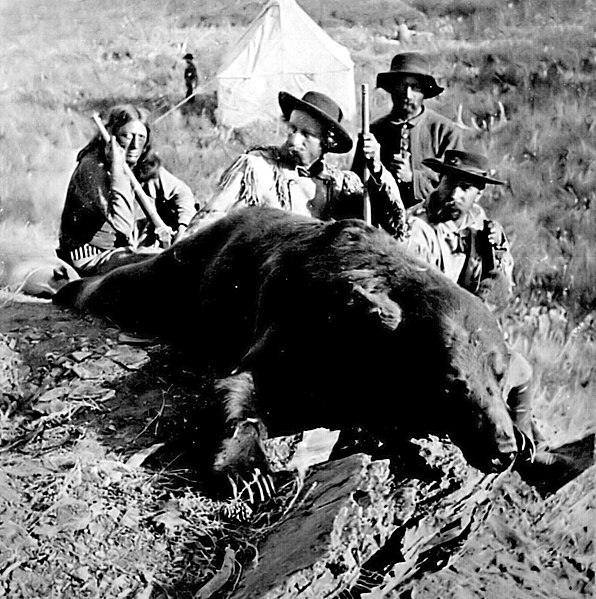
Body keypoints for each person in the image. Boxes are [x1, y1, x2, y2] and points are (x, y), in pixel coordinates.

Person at [400, 150, 559, 469]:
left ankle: (528, 443)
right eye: (450, 183)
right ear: (439, 181)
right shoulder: (417, 229)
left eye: (467, 188)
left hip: (471, 335)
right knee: (477, 390)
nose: (455, 193)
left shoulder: (481, 228)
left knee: (520, 370)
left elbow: (502, 288)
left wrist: (497, 260)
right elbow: (412, 297)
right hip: (431, 342)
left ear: (478, 193)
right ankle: (514, 447)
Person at [186, 90, 406, 238]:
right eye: (292, 130)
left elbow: (392, 223)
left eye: (306, 134)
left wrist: (377, 168)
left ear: (327, 141)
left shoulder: (339, 185)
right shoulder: (255, 168)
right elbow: (209, 218)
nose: (293, 140)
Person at [58, 104, 196, 276]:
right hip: (90, 256)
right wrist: (117, 169)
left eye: (141, 137)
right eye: (127, 136)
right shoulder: (93, 167)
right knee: (157, 263)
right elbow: (122, 224)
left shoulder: (140, 162)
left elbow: (182, 192)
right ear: (112, 136)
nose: (135, 145)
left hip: (126, 247)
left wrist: (182, 230)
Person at [352, 52, 464, 210]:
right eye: (402, 86)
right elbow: (357, 183)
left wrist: (413, 178)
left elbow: (456, 184)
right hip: (383, 222)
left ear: (424, 91)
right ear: (391, 89)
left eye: (415, 87)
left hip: (430, 221)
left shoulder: (445, 131)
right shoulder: (374, 132)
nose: (407, 94)